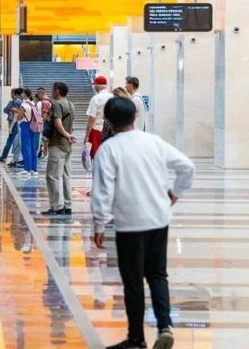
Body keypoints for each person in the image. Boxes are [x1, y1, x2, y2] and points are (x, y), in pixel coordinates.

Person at [91, 97, 195, 349]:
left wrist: (99, 224)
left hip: (129, 223)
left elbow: (102, 191)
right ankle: (165, 326)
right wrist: (174, 192)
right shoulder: (154, 142)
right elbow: (187, 167)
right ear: (135, 117)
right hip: (159, 219)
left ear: (108, 121)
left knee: (133, 281)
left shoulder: (109, 149)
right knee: (158, 275)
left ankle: (136, 339)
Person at [42, 81, 76, 215]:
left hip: (58, 144)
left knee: (53, 176)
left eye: (53, 89)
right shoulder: (71, 104)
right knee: (66, 175)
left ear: (57, 90)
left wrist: (66, 135)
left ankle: (57, 206)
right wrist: (69, 135)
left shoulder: (56, 104)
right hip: (67, 146)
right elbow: (71, 124)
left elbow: (57, 123)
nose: (52, 91)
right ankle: (67, 205)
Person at [85, 76, 113, 159]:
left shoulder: (95, 99)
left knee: (96, 155)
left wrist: (87, 135)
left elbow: (91, 119)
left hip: (97, 129)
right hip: (110, 130)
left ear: (97, 86)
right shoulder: (113, 97)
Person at [0, 88, 22, 162]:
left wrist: (11, 127)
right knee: (14, 141)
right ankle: (7, 156)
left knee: (10, 140)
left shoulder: (15, 102)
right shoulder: (16, 102)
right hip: (15, 122)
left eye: (11, 92)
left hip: (14, 123)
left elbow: (12, 113)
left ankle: (5, 156)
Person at [16, 88, 38, 177]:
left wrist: (17, 113)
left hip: (25, 125)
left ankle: (27, 169)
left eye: (22, 93)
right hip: (33, 126)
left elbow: (19, 117)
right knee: (33, 148)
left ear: (25, 94)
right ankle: (34, 169)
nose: (21, 94)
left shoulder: (24, 104)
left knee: (26, 147)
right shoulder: (33, 103)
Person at [35, 87, 52, 158]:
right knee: (45, 139)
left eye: (38, 94)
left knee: (45, 139)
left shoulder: (44, 102)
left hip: (47, 122)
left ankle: (45, 154)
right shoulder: (48, 101)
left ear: (41, 93)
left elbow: (44, 115)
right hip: (48, 122)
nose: (37, 96)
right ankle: (45, 154)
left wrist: (41, 123)